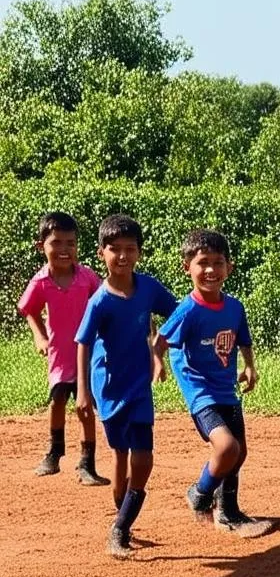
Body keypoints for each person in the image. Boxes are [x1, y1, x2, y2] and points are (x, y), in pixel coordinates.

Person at [154, 229, 270, 537]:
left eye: (218, 263)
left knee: (239, 452)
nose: (210, 270)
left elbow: (243, 339)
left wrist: (249, 366)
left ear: (228, 268)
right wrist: (158, 364)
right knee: (226, 447)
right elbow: (160, 341)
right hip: (200, 390)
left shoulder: (234, 307)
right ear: (187, 268)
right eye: (202, 262)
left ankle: (229, 511)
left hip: (226, 388)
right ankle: (200, 493)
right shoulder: (188, 309)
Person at [76, 215, 178, 558]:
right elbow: (84, 343)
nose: (122, 256)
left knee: (144, 456)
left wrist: (159, 349)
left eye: (129, 249)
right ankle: (123, 515)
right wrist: (82, 391)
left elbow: (177, 313)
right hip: (108, 386)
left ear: (139, 252)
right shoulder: (100, 301)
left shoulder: (148, 287)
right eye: (114, 249)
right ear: (101, 252)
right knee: (120, 454)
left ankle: (120, 527)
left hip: (138, 385)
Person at [17, 211, 108, 485]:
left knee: (85, 406)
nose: (64, 249)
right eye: (56, 242)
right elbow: (28, 310)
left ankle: (86, 462)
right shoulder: (41, 281)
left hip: (88, 355)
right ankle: (54, 453)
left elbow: (103, 302)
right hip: (60, 354)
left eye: (70, 243)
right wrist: (40, 337)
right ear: (41, 246)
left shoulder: (87, 278)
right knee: (57, 400)